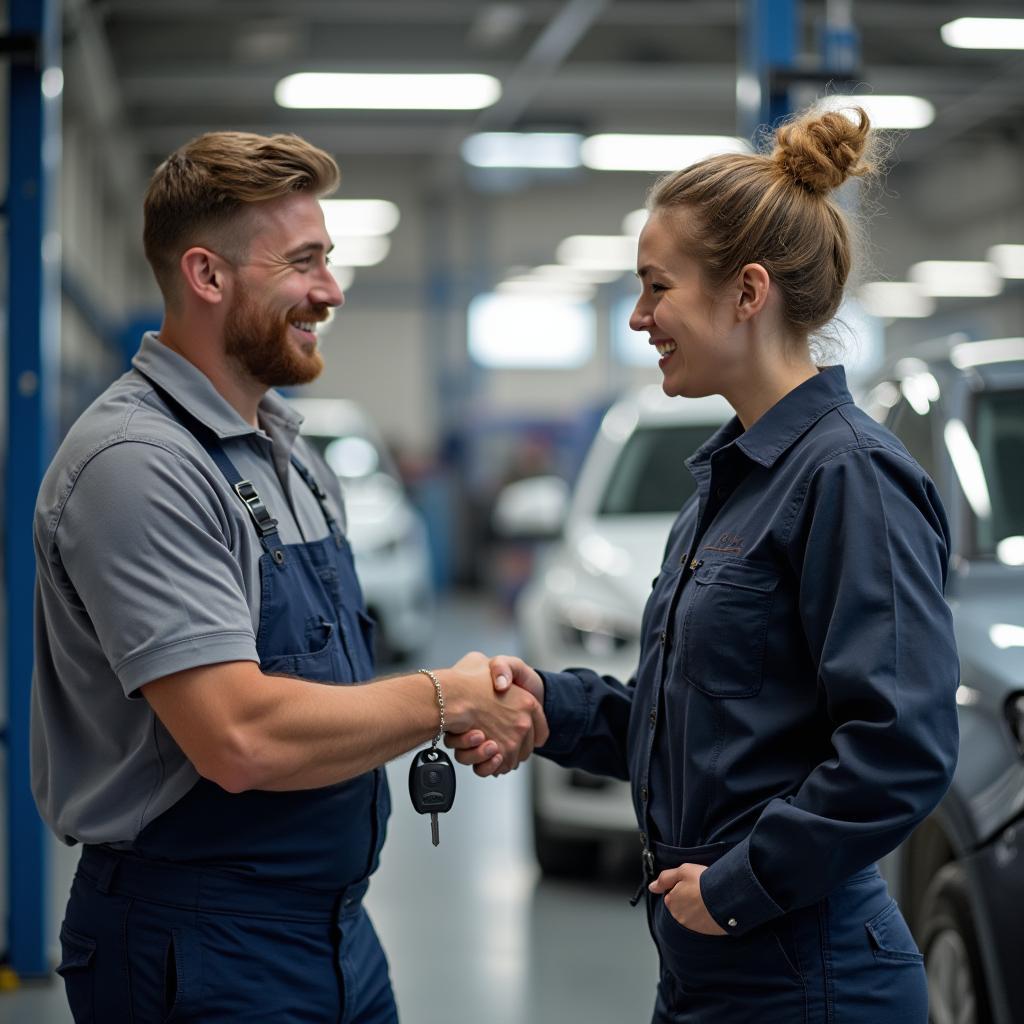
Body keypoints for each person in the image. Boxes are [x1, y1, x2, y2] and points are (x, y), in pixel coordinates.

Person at [453, 105, 959, 1023]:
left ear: (747, 292)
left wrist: (738, 884)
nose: (642, 318)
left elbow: (899, 747)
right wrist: (549, 705)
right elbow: (697, 721)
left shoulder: (851, 478)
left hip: (808, 975)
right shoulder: (733, 479)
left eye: (657, 289)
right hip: (711, 969)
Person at [31, 131, 544, 1023]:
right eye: (303, 263)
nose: (332, 292)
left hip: (333, 929)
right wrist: (444, 699)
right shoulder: (139, 464)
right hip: (195, 942)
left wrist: (447, 706)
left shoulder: (289, 452)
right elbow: (239, 738)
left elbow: (314, 691)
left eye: (329, 261)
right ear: (208, 276)